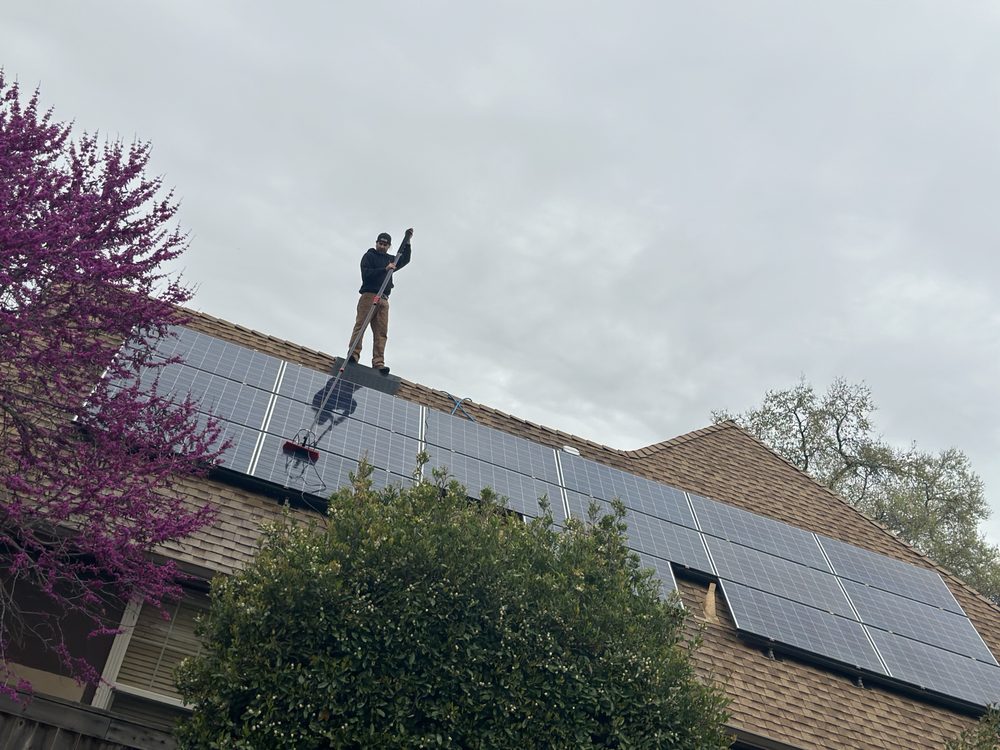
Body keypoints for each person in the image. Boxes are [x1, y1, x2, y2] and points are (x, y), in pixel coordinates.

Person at [347, 228, 413, 375]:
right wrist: (384, 269)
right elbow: (366, 274)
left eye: (385, 244)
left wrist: (407, 242)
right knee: (361, 325)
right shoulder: (369, 256)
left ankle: (378, 362)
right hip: (369, 295)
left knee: (381, 333)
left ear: (389, 246)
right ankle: (353, 354)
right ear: (376, 243)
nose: (382, 246)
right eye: (380, 243)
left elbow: (405, 260)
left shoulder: (391, 259)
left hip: (384, 299)